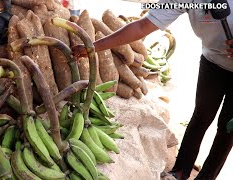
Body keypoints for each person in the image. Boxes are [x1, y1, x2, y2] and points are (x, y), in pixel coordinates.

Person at [72, 0, 233, 179]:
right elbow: (143, 25)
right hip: (213, 62)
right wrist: (94, 47)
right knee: (201, 116)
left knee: (228, 128)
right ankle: (179, 172)